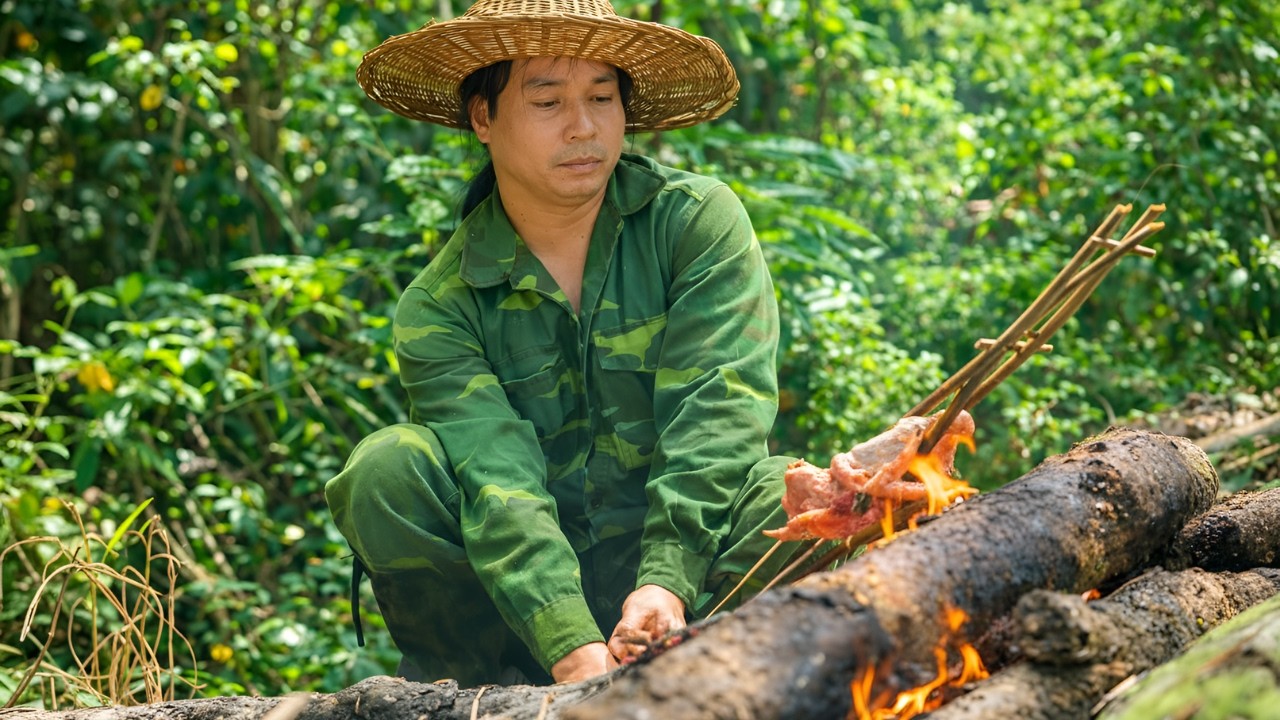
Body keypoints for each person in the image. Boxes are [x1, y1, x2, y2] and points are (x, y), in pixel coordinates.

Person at [325, 0, 804, 687]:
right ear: (483, 118)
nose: (583, 127)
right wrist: (573, 652)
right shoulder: (439, 306)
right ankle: (470, 697)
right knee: (387, 469)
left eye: (602, 97)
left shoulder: (694, 224)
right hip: (519, 626)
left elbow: (718, 414)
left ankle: (733, 685)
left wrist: (665, 587)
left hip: (687, 587)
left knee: (785, 497)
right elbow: (498, 481)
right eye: (547, 100)